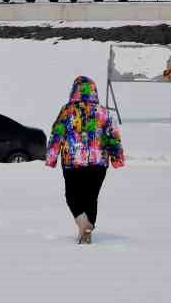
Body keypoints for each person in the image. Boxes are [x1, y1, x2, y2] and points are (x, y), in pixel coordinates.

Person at [44, 75, 125, 243]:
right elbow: (113, 137)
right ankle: (88, 226)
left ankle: (82, 221)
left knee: (72, 195)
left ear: (74, 91)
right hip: (99, 164)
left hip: (73, 162)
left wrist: (51, 158)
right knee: (91, 196)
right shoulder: (103, 112)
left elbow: (57, 134)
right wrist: (117, 159)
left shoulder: (67, 111)